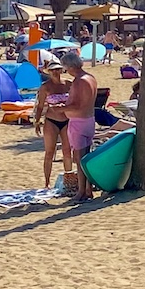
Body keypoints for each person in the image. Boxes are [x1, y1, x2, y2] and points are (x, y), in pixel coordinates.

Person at [59, 51, 98, 201]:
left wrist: (60, 108)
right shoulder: (91, 78)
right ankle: (87, 189)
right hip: (89, 120)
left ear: (70, 66)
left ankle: (81, 192)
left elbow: (77, 105)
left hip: (79, 122)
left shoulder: (79, 81)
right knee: (86, 157)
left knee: (80, 158)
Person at [34, 61, 76, 190]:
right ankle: (47, 183)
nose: (55, 72)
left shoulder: (69, 84)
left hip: (67, 120)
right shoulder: (45, 87)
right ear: (49, 72)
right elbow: (40, 106)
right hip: (51, 120)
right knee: (49, 152)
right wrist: (37, 121)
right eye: (52, 70)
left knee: (67, 151)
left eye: (57, 70)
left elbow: (77, 100)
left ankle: (68, 181)